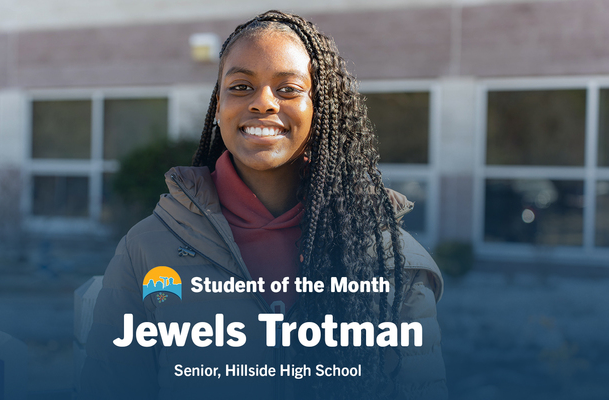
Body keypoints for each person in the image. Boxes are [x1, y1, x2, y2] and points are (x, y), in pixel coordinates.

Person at [80, 10, 446, 400]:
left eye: (288, 89)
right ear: (218, 105)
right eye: (241, 86)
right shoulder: (148, 249)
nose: (263, 103)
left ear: (320, 107)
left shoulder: (389, 258)